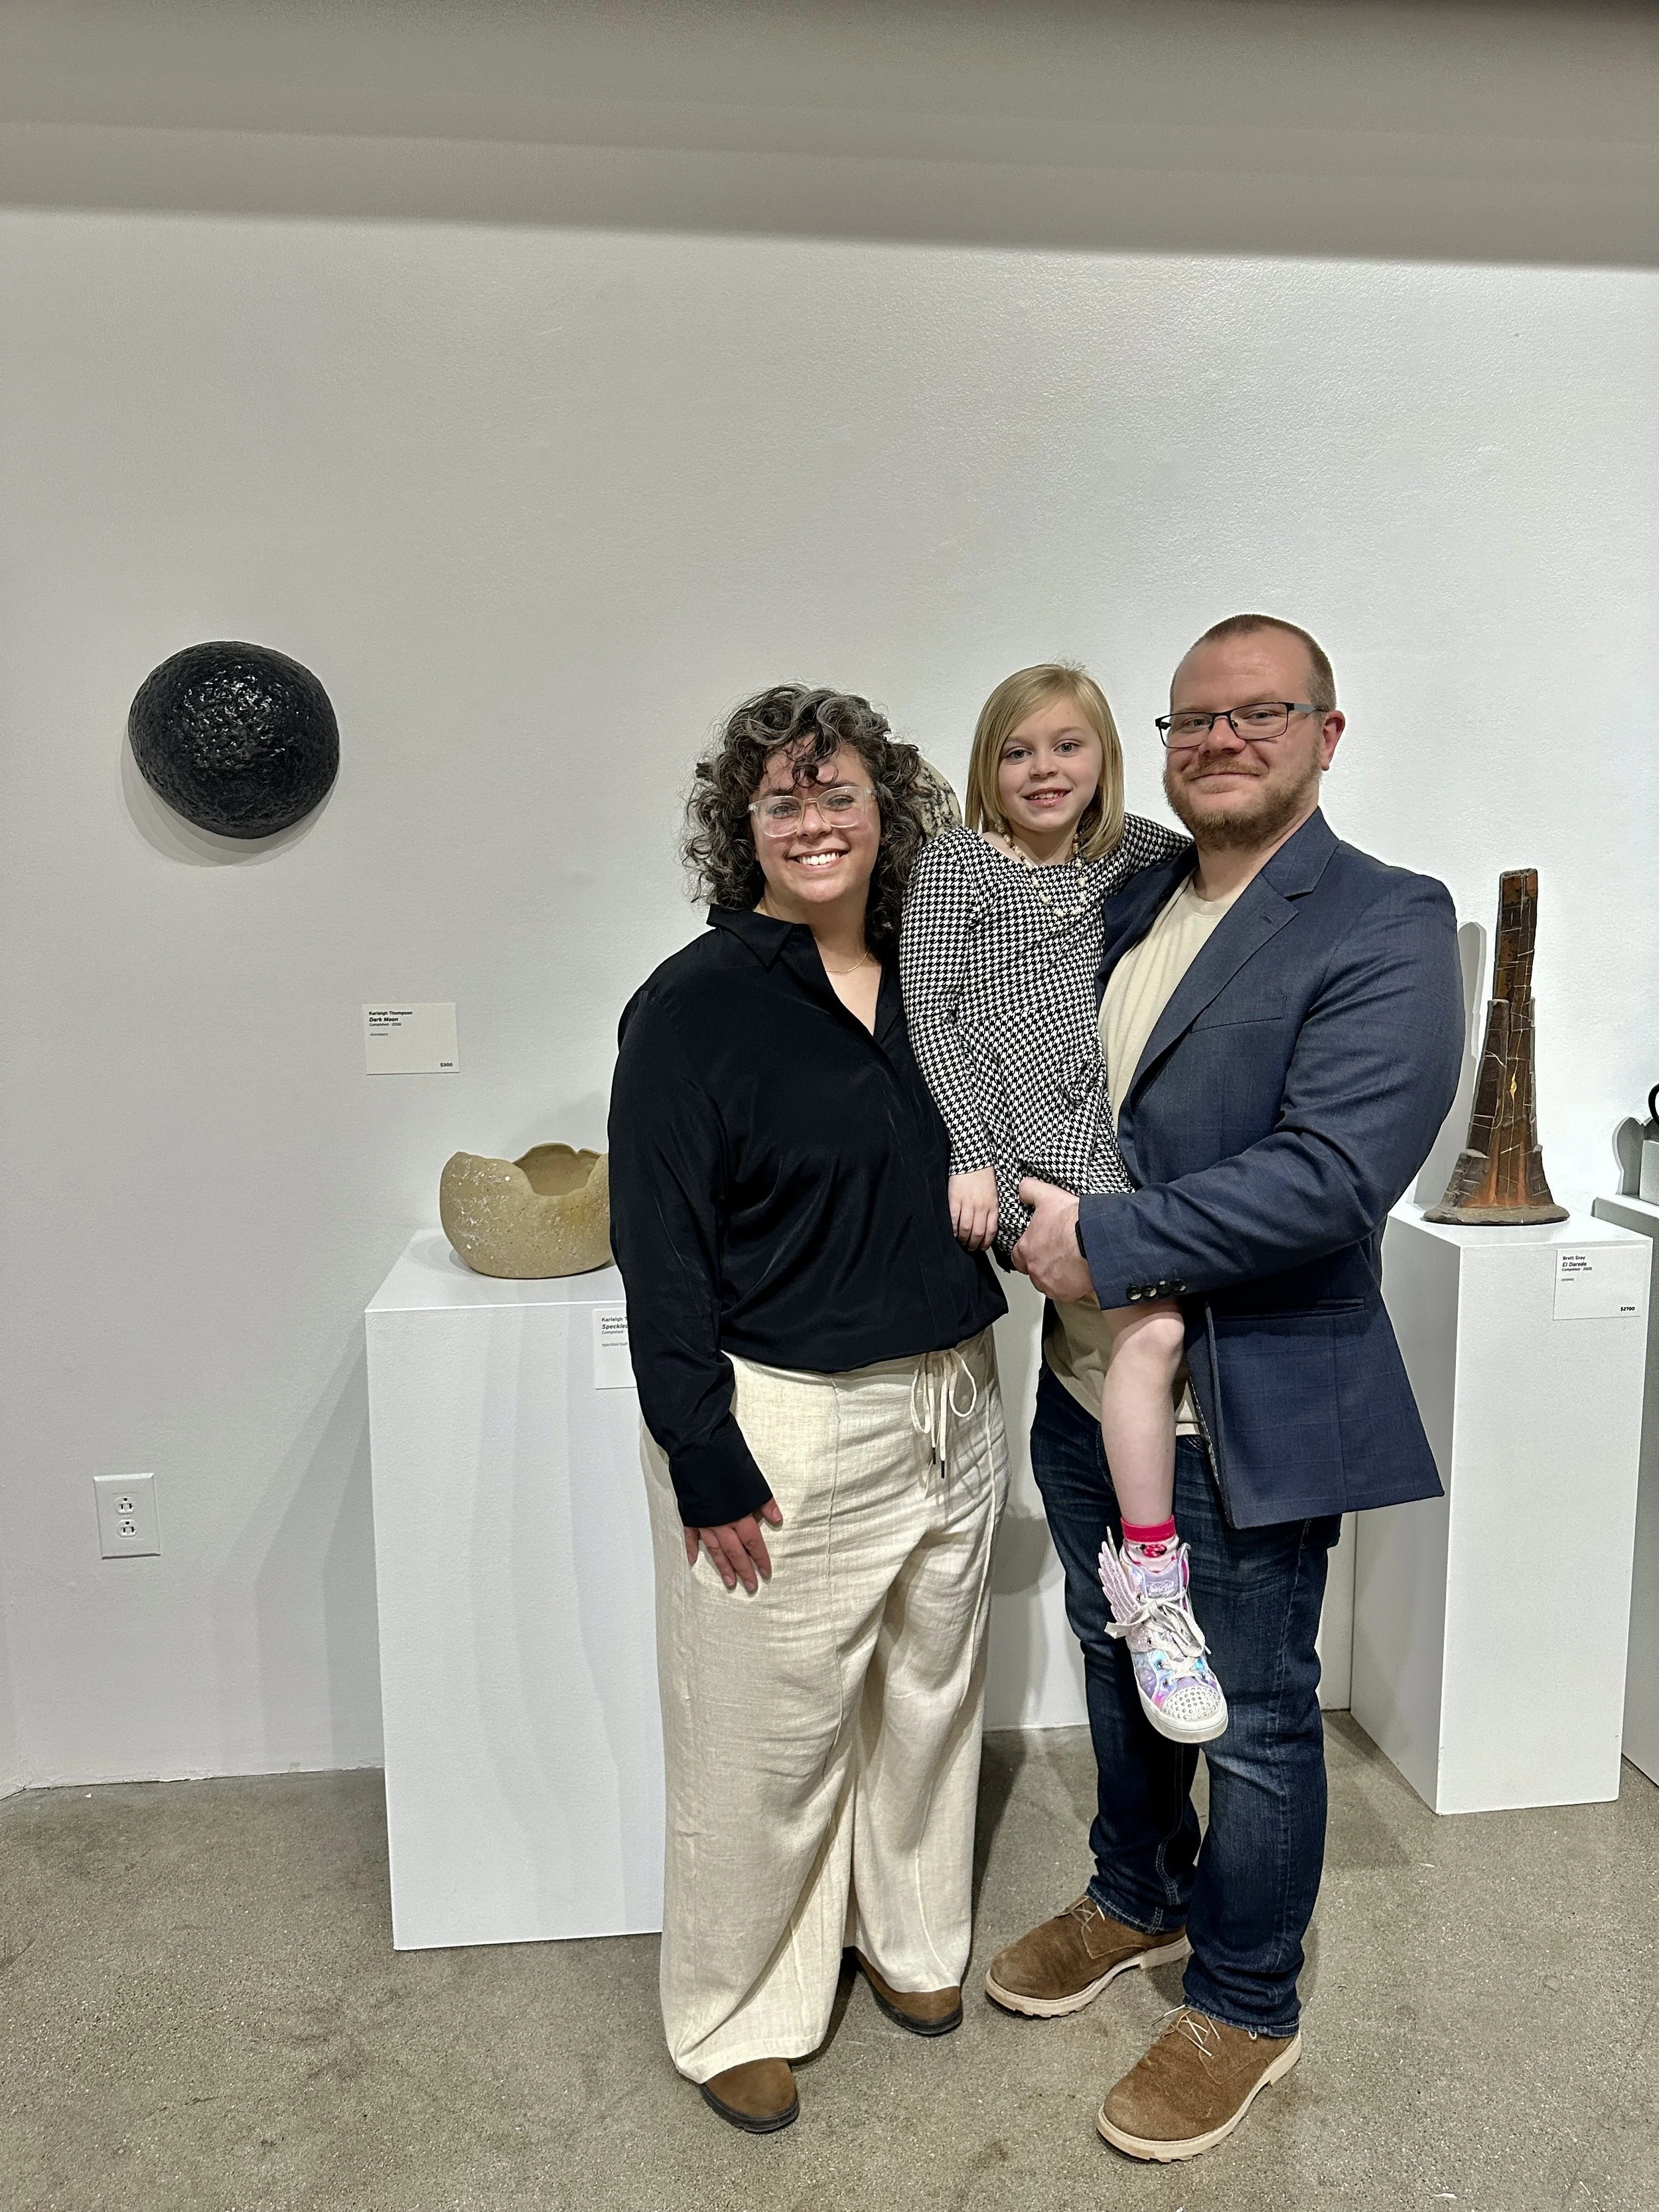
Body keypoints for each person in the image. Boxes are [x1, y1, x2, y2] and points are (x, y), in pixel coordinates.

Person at [994, 614, 1464, 2164]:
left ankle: (1246, 1996)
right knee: (1111, 1644)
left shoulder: (1384, 918)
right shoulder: (1123, 893)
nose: (1218, 742)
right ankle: (1136, 1895)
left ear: (1325, 733)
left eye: (1256, 715)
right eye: (1190, 721)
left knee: (1256, 1715)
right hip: (1080, 1388)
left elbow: (1333, 1175)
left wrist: (1100, 1240)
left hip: (1236, 1397)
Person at [608, 685, 1009, 2136]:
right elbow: (659, 1251)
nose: (814, 821)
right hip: (788, 1418)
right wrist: (700, 1457)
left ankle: (905, 1938)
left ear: (884, 813)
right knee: (759, 1738)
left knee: (925, 1700)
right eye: (781, 800)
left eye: (838, 793)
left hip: (958, 1396)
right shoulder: (690, 1005)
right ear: (744, 831)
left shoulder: (938, 977)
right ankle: (737, 2006)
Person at [900, 664, 1227, 1743]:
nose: (1045, 770)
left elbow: (1221, 864)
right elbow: (933, 1017)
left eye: (1068, 747)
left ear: (1103, 759)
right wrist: (968, 1154)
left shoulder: (1128, 854)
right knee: (1157, 1324)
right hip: (1014, 1140)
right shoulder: (955, 867)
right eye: (1018, 750)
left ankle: (1144, 1566)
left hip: (1103, 1127)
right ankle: (1153, 1577)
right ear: (988, 765)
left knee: (1149, 1332)